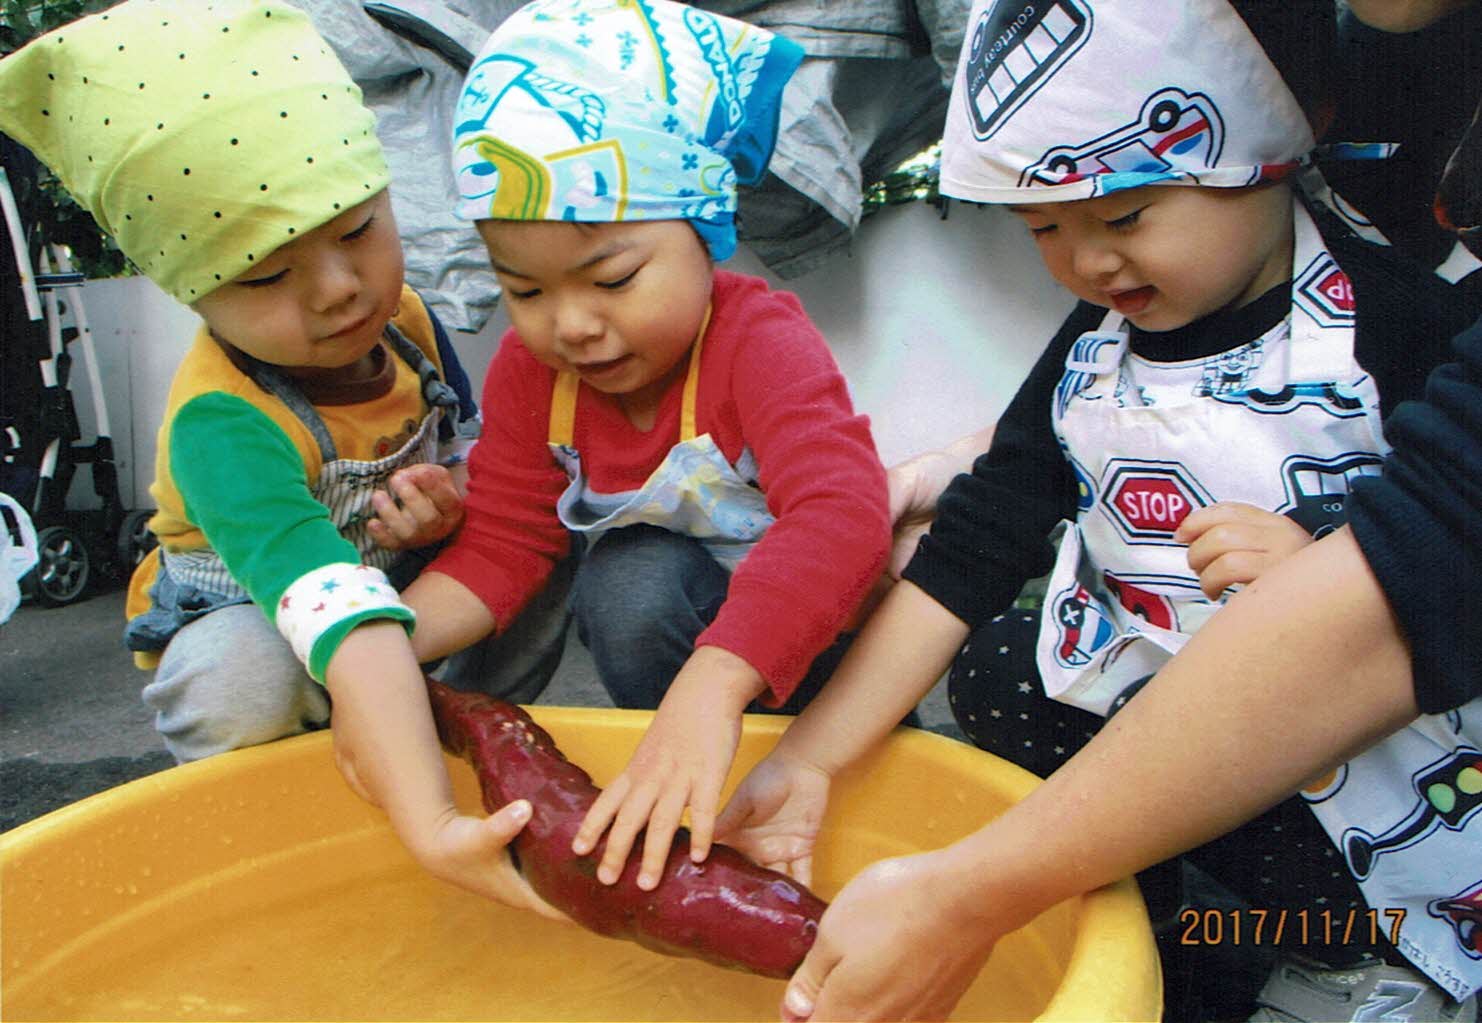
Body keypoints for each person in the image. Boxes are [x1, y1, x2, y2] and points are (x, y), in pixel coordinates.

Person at [715, 0, 1480, 1018]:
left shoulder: (1393, 319)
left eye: (1123, 219)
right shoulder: (1091, 350)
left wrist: (1323, 550)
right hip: (1164, 690)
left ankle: (1359, 954)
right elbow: (975, 542)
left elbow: (1446, 549)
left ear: (1259, 160)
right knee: (1003, 669)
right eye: (1044, 228)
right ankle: (1145, 921)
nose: (1086, 263)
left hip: (1375, 730)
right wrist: (811, 755)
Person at [0, 0, 565, 917]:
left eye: (358, 230)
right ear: (190, 290)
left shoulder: (407, 321)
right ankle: (281, 799)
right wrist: (429, 826)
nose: (340, 289)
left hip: (393, 594)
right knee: (244, 676)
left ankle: (457, 735)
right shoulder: (222, 421)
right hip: (269, 608)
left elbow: (469, 454)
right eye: (267, 274)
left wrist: (450, 498)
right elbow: (333, 608)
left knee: (542, 560)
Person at [399, 0, 892, 896]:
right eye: (526, 290)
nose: (572, 325)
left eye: (614, 278)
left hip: (832, 659)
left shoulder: (759, 341)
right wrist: (377, 645)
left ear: (707, 234)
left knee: (875, 812)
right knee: (626, 580)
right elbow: (504, 542)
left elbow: (842, 515)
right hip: (687, 674)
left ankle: (776, 758)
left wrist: (716, 682)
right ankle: (687, 781)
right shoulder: (534, 374)